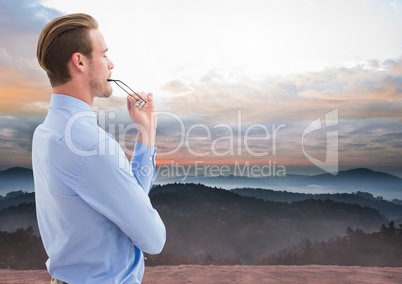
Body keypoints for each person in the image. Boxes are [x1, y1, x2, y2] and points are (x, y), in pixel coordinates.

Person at [32, 13, 166, 283]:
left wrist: (146, 133)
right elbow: (154, 239)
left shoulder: (44, 133)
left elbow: (128, 201)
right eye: (104, 55)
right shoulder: (92, 144)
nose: (111, 64)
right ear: (80, 61)